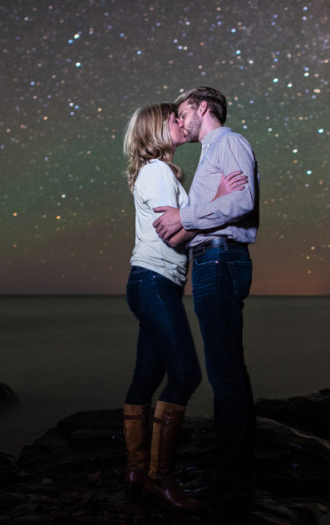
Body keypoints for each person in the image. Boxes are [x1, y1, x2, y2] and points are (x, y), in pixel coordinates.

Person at [121, 102, 246, 510]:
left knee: (146, 377)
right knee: (186, 375)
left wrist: (197, 214)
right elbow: (173, 236)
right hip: (154, 282)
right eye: (173, 119)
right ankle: (159, 478)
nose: (180, 122)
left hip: (155, 284)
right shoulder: (157, 172)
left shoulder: (159, 172)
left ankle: (138, 470)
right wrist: (220, 203)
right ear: (157, 128)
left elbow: (179, 225)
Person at [152, 87, 260, 496]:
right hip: (212, 260)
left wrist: (186, 215)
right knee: (227, 367)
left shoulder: (228, 143)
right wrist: (187, 223)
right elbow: (190, 229)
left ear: (203, 107)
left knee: (223, 371)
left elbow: (241, 201)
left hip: (221, 259)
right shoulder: (211, 154)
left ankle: (227, 472)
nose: (180, 121)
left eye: (183, 112)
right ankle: (237, 465)